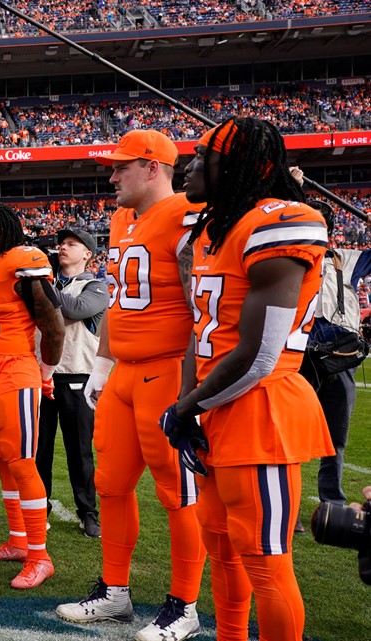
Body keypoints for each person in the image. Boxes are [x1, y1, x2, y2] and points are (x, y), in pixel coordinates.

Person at [163, 117, 332, 641]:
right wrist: (189, 401)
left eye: (203, 157)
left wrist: (187, 408)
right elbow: (202, 331)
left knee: (264, 559)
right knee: (220, 545)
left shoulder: (281, 221)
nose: (189, 166)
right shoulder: (217, 228)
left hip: (260, 409)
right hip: (216, 404)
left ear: (241, 167)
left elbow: (261, 353)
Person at [56, 129, 207, 641]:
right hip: (122, 372)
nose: (112, 175)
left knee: (178, 492)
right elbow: (119, 304)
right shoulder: (123, 218)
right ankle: (114, 592)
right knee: (111, 483)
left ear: (152, 168)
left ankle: (184, 604)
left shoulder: (188, 215)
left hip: (168, 371)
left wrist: (192, 389)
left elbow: (198, 308)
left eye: (122, 167)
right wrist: (102, 366)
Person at [0, 203, 64, 590]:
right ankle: (18, 542)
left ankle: (41, 556)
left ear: (3, 235)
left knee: (22, 460)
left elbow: (53, 326)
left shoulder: (25, 261)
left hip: (15, 367)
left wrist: (45, 373)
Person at [294, 196, 371, 509]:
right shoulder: (289, 254)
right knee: (290, 432)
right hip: (297, 351)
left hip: (338, 355)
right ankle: (292, 503)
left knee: (336, 433)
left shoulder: (348, 257)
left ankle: (332, 501)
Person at [36, 228, 105, 538]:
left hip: (77, 376)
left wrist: (41, 282)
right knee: (39, 450)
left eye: (71, 244)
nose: (62, 247)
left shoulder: (95, 286)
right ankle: (39, 508)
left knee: (80, 451)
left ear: (87, 253)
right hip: (41, 376)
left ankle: (88, 512)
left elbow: (74, 309)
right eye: (61, 243)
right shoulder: (49, 282)